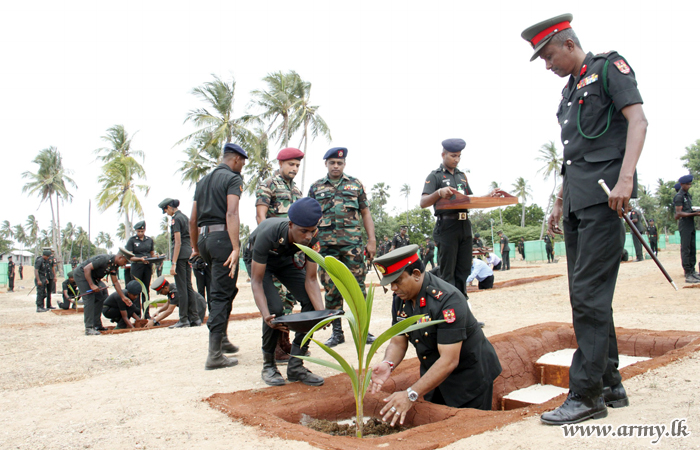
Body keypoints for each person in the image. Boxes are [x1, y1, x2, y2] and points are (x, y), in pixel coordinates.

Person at [522, 13, 647, 424]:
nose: (547, 64)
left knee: (588, 296)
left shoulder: (608, 67)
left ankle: (587, 394)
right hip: (577, 202)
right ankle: (610, 384)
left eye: (548, 54)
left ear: (569, 44)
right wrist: (560, 201)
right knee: (586, 295)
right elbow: (572, 153)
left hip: (605, 199)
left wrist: (626, 178)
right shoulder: (569, 91)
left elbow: (638, 121)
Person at [369, 245, 501, 422]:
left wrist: (410, 394)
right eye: (390, 283)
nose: (393, 288)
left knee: (468, 429)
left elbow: (449, 360)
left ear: (416, 274)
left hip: (469, 378)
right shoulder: (401, 298)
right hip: (434, 376)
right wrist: (388, 363)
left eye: (397, 281)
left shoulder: (447, 300)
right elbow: (398, 341)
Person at [243, 198, 328, 386]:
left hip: (283, 259)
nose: (308, 236)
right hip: (258, 258)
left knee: (310, 304)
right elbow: (257, 281)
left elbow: (312, 279)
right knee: (275, 310)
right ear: (291, 225)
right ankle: (269, 365)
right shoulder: (268, 233)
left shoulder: (313, 238)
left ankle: (296, 365)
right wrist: (266, 315)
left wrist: (321, 313)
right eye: (303, 231)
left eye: (312, 230)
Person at [308, 147, 377, 348]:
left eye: (339, 163)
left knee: (357, 287)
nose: (336, 166)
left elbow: (365, 213)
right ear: (326, 164)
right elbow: (309, 216)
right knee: (331, 289)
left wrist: (371, 240)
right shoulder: (316, 187)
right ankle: (337, 332)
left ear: (344, 164)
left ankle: (361, 330)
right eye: (332, 162)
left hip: (353, 246)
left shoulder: (355, 185)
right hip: (327, 247)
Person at [189, 142, 246, 370]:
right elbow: (231, 212)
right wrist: (235, 247)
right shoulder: (233, 178)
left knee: (225, 290)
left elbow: (193, 219)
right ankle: (214, 355)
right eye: (242, 162)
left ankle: (221, 339)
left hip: (204, 239)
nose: (242, 166)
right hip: (222, 239)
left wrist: (195, 248)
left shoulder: (202, 182)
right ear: (235, 160)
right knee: (222, 294)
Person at [420, 139, 502, 297]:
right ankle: (448, 313)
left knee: (463, 271)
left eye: (459, 156)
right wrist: (438, 193)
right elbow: (423, 202)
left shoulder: (462, 176)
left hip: (464, 226)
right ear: (443, 155)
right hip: (447, 227)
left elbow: (469, 199)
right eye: (453, 156)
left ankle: (462, 312)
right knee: (447, 273)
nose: (456, 159)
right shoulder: (435, 176)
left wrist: (488, 196)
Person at [255, 147, 305, 363]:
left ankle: (285, 341)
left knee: (289, 299)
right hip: (273, 250)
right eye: (291, 164)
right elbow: (261, 216)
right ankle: (274, 346)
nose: (294, 168)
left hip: (293, 254)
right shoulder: (269, 184)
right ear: (281, 164)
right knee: (274, 299)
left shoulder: (297, 191)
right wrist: (271, 247)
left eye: (297, 165)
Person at [160, 198, 200, 328]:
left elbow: (177, 242)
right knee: (188, 287)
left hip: (180, 256)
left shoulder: (175, 219)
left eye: (165, 210)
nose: (166, 213)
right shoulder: (184, 217)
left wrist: (173, 263)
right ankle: (194, 318)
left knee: (181, 289)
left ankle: (183, 319)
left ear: (169, 207)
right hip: (187, 254)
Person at [75, 248, 133, 335]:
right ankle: (89, 327)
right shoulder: (104, 259)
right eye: (125, 262)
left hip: (93, 278)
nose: (124, 264)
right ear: (121, 258)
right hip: (82, 275)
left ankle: (97, 324)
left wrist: (123, 297)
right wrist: (91, 285)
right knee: (89, 298)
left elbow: (115, 282)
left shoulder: (114, 265)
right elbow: (86, 268)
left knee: (100, 296)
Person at [125, 220, 156, 318]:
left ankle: (146, 313)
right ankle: (137, 313)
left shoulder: (149, 240)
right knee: (136, 290)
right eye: (138, 231)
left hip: (147, 267)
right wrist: (140, 259)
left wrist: (156, 258)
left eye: (142, 231)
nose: (140, 233)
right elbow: (129, 257)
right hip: (137, 266)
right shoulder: (132, 240)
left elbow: (152, 253)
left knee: (145, 290)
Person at [674, 174, 700, 283]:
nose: (689, 186)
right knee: (686, 248)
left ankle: (693, 271)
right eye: (687, 184)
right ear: (681, 184)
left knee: (692, 248)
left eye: (690, 184)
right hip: (684, 224)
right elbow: (678, 214)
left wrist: (694, 212)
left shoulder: (687, 195)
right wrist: (695, 214)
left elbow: (688, 210)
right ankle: (688, 273)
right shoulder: (679, 196)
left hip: (690, 224)